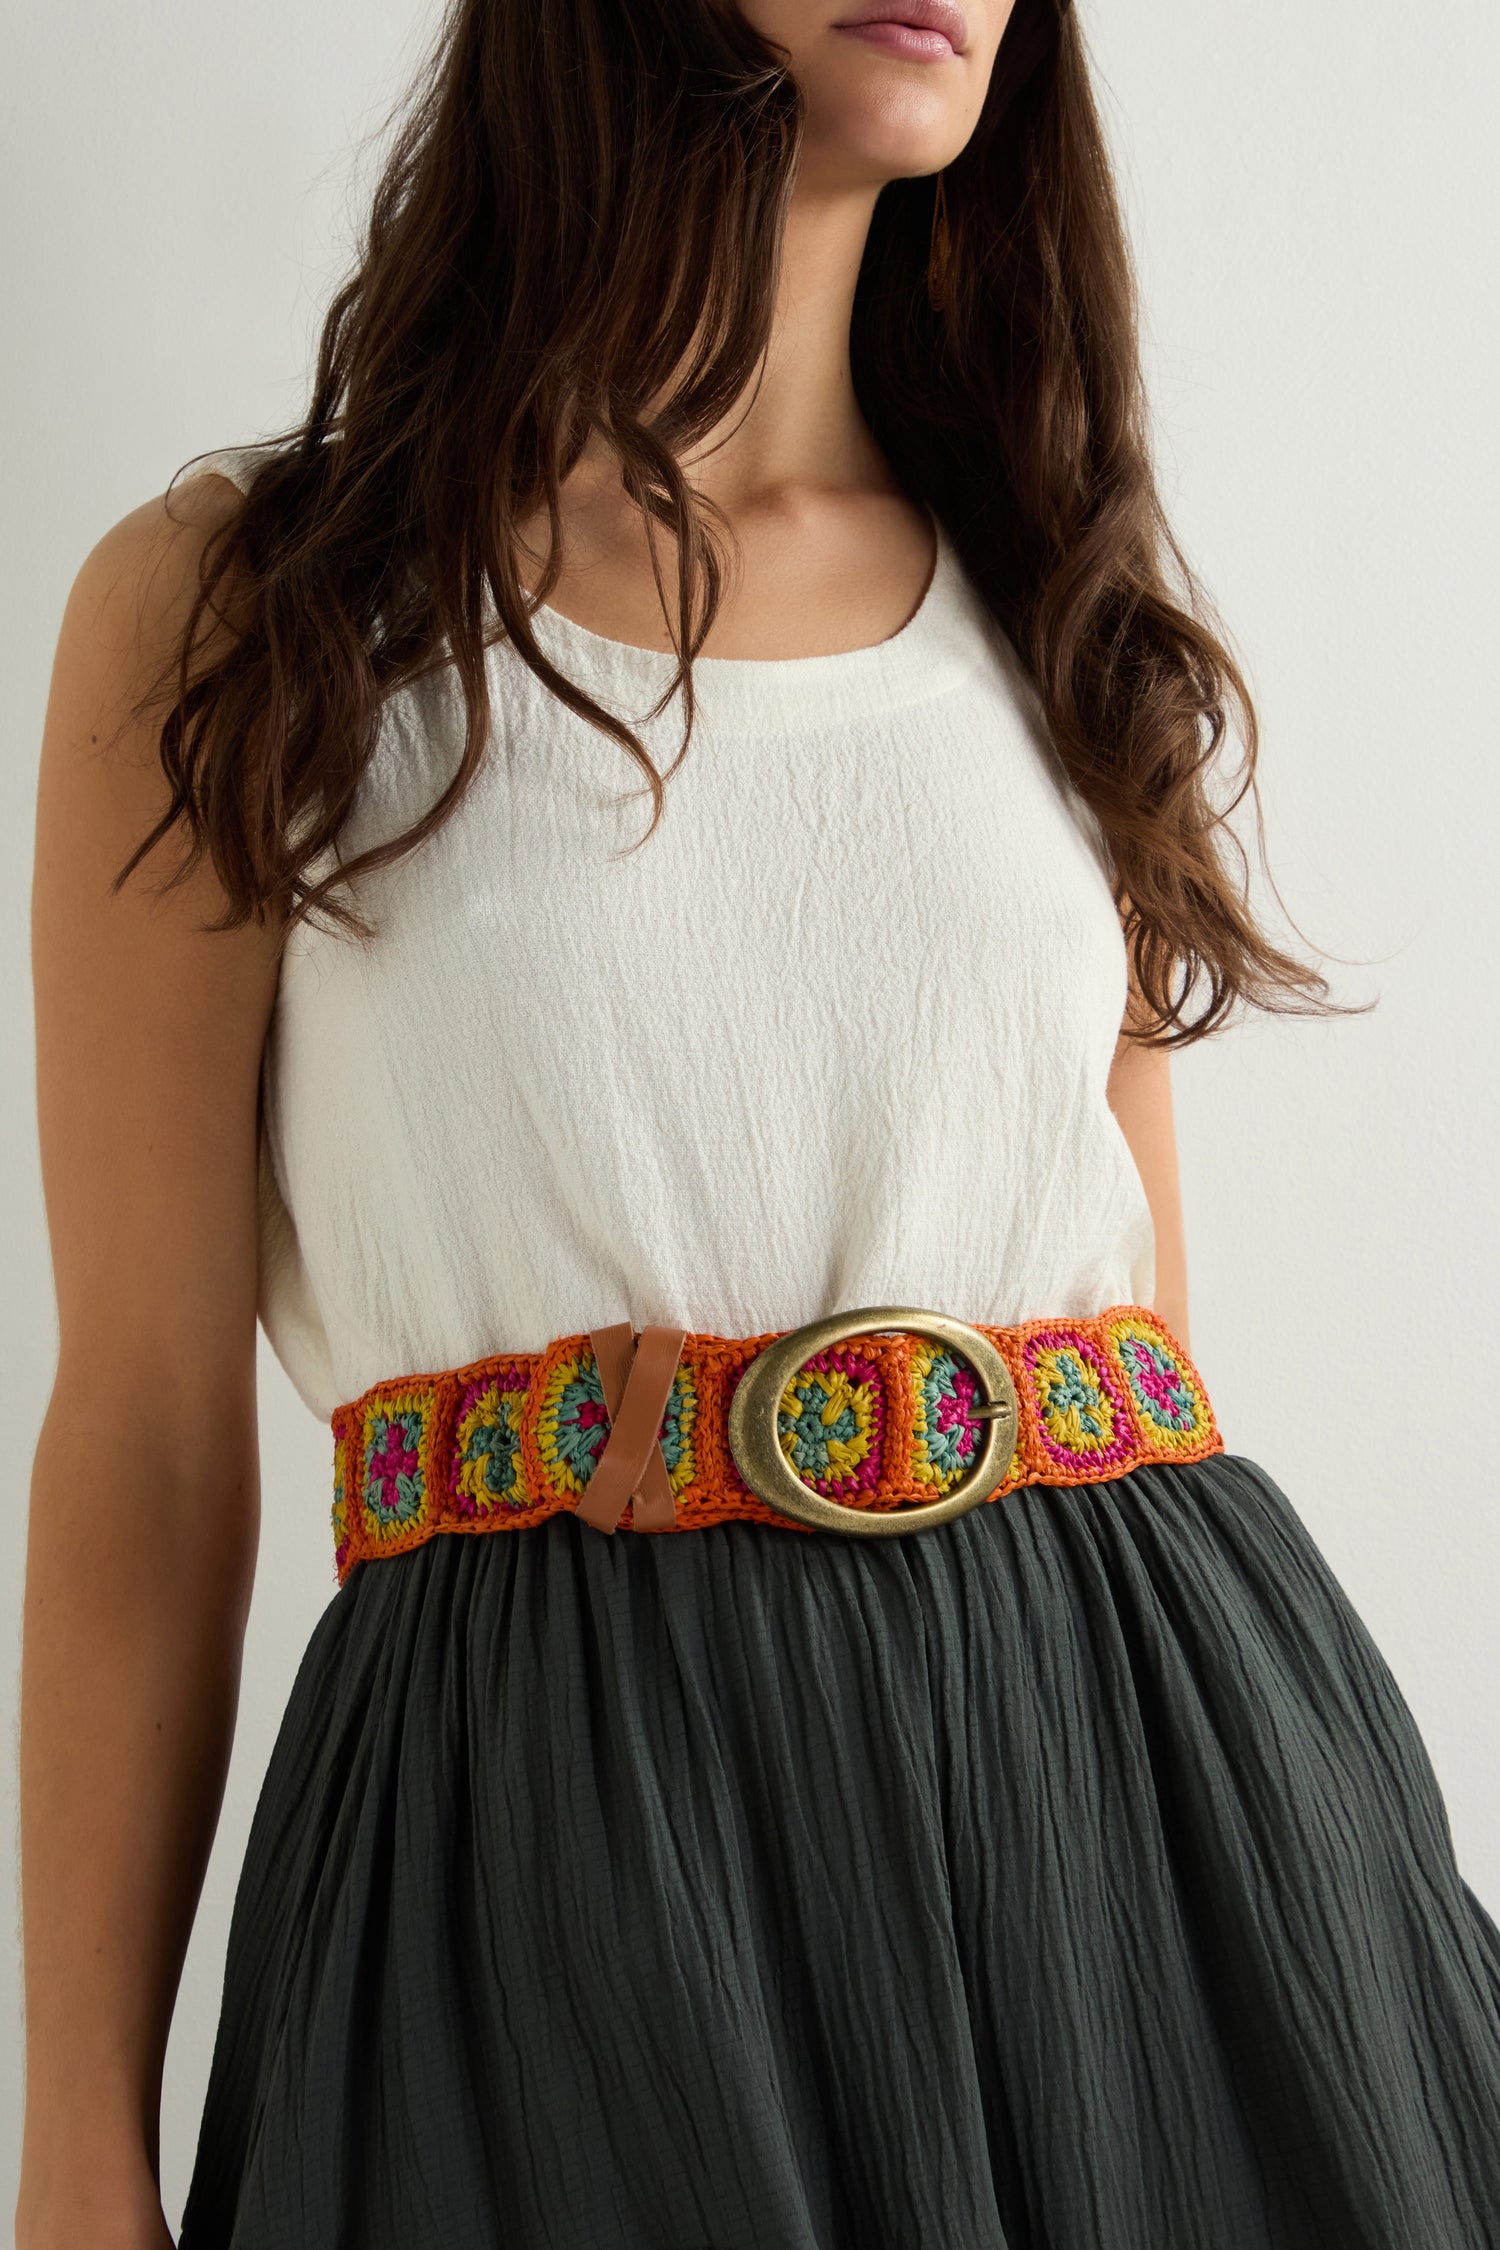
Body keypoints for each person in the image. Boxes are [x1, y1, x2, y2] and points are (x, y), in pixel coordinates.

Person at [18, 0, 1500, 2244]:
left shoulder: (1049, 588)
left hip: (1133, 1805)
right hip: (560, 1851)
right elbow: (141, 1434)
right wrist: (72, 2150)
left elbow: (1142, 1341)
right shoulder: (255, 619)